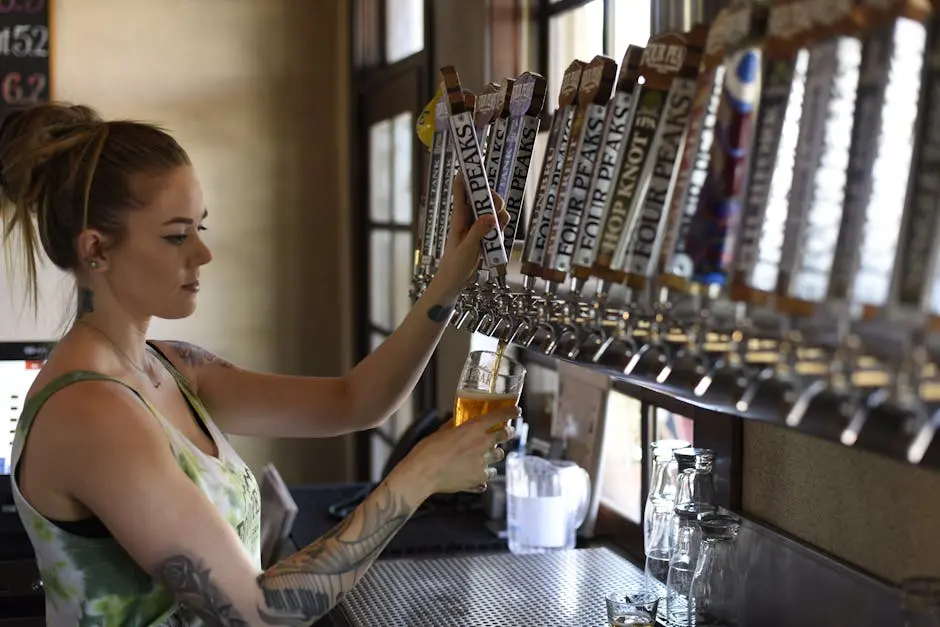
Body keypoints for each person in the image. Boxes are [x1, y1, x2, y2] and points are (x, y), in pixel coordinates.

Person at [0, 102, 514, 626]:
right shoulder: (90, 413)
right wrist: (421, 474)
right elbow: (257, 613)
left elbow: (355, 401)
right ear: (96, 250)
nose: (203, 254)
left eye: (200, 228)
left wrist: (450, 278)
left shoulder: (172, 368)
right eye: (177, 235)